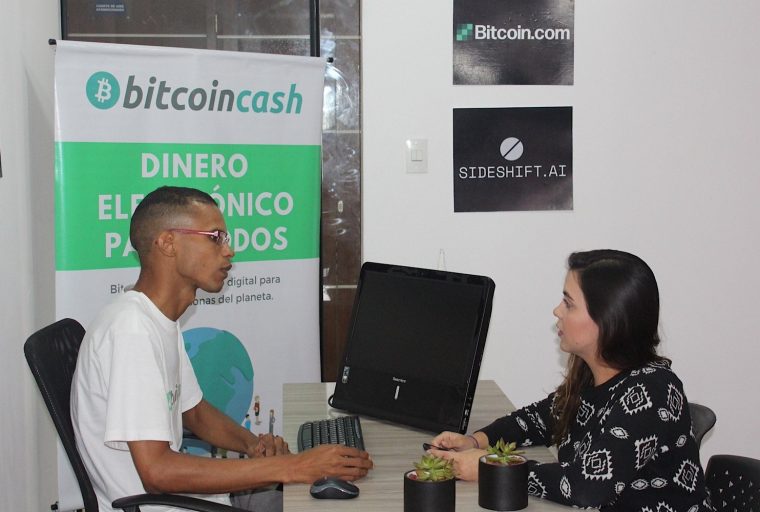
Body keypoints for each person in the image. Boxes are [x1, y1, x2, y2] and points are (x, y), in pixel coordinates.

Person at [71, 186, 373, 512]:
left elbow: (195, 412)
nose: (229, 251)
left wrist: (254, 446)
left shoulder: (156, 319)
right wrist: (292, 467)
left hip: (196, 501)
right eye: (215, 237)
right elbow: (157, 473)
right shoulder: (132, 332)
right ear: (168, 243)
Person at [429, 250, 712, 511]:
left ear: (607, 318)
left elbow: (587, 487)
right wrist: (475, 441)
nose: (557, 311)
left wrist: (491, 468)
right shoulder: (593, 374)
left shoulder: (652, 389)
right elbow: (537, 421)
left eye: (569, 304)